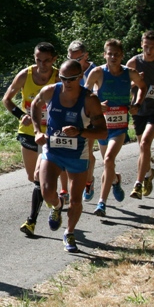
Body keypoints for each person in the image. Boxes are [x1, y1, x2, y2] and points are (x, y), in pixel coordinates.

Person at [30, 59, 108, 252]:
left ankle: (69, 232)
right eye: (63, 78)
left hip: (77, 155)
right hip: (53, 151)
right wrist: (37, 131)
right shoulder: (50, 91)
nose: (67, 82)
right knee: (46, 191)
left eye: (72, 79)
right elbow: (35, 105)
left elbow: (102, 132)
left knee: (75, 199)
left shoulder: (90, 100)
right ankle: (57, 206)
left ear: (80, 76)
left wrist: (80, 132)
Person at [84, 39, 146, 216]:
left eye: (116, 54)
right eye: (110, 54)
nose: (113, 57)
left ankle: (101, 203)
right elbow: (85, 94)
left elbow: (143, 87)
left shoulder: (130, 73)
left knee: (108, 159)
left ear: (122, 56)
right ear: (104, 55)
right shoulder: (97, 72)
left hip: (119, 126)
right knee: (108, 163)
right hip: (102, 126)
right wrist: (97, 105)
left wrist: (137, 104)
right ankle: (116, 179)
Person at [2, 42, 57, 236]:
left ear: (54, 59)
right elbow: (7, 99)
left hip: (50, 134)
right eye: (38, 60)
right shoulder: (25, 74)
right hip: (28, 131)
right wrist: (20, 115)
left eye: (47, 61)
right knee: (32, 176)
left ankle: (31, 221)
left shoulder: (59, 77)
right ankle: (52, 199)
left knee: (39, 176)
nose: (42, 65)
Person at [127, 31, 154, 199]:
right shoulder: (134, 63)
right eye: (146, 46)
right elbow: (125, 84)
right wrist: (136, 81)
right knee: (143, 148)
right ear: (141, 45)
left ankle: (137, 185)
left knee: (145, 143)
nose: (149, 50)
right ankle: (148, 174)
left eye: (153, 47)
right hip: (139, 110)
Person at [68, 41, 98, 203]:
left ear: (86, 56)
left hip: (90, 117)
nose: (73, 62)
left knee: (87, 152)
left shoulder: (96, 71)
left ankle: (89, 181)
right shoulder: (68, 70)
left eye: (77, 59)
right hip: (71, 117)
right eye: (70, 59)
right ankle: (67, 189)